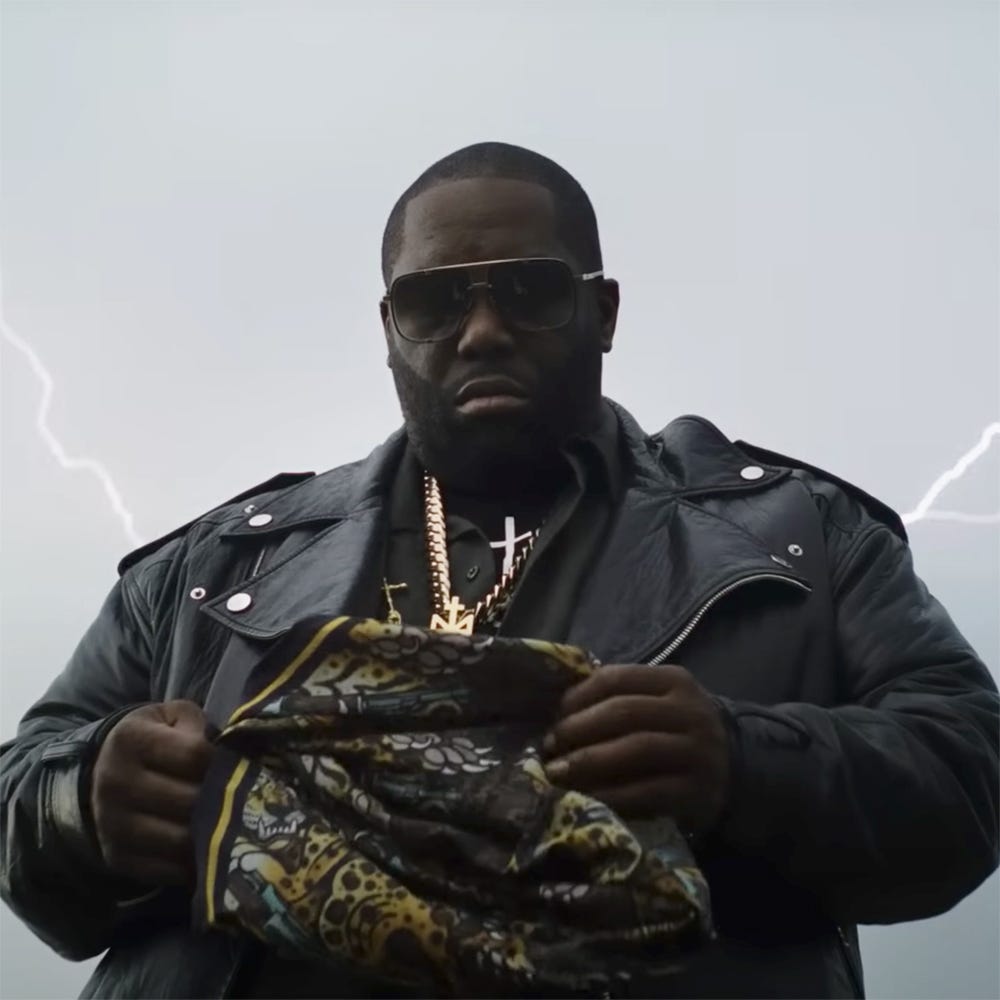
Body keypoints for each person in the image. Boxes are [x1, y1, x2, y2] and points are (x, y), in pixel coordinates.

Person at [1, 141, 997, 1000]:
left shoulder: (800, 535)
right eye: (434, 301)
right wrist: (82, 799)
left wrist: (744, 762)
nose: (481, 330)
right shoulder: (213, 565)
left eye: (529, 290)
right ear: (389, 329)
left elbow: (969, 768)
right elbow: (20, 793)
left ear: (603, 310)